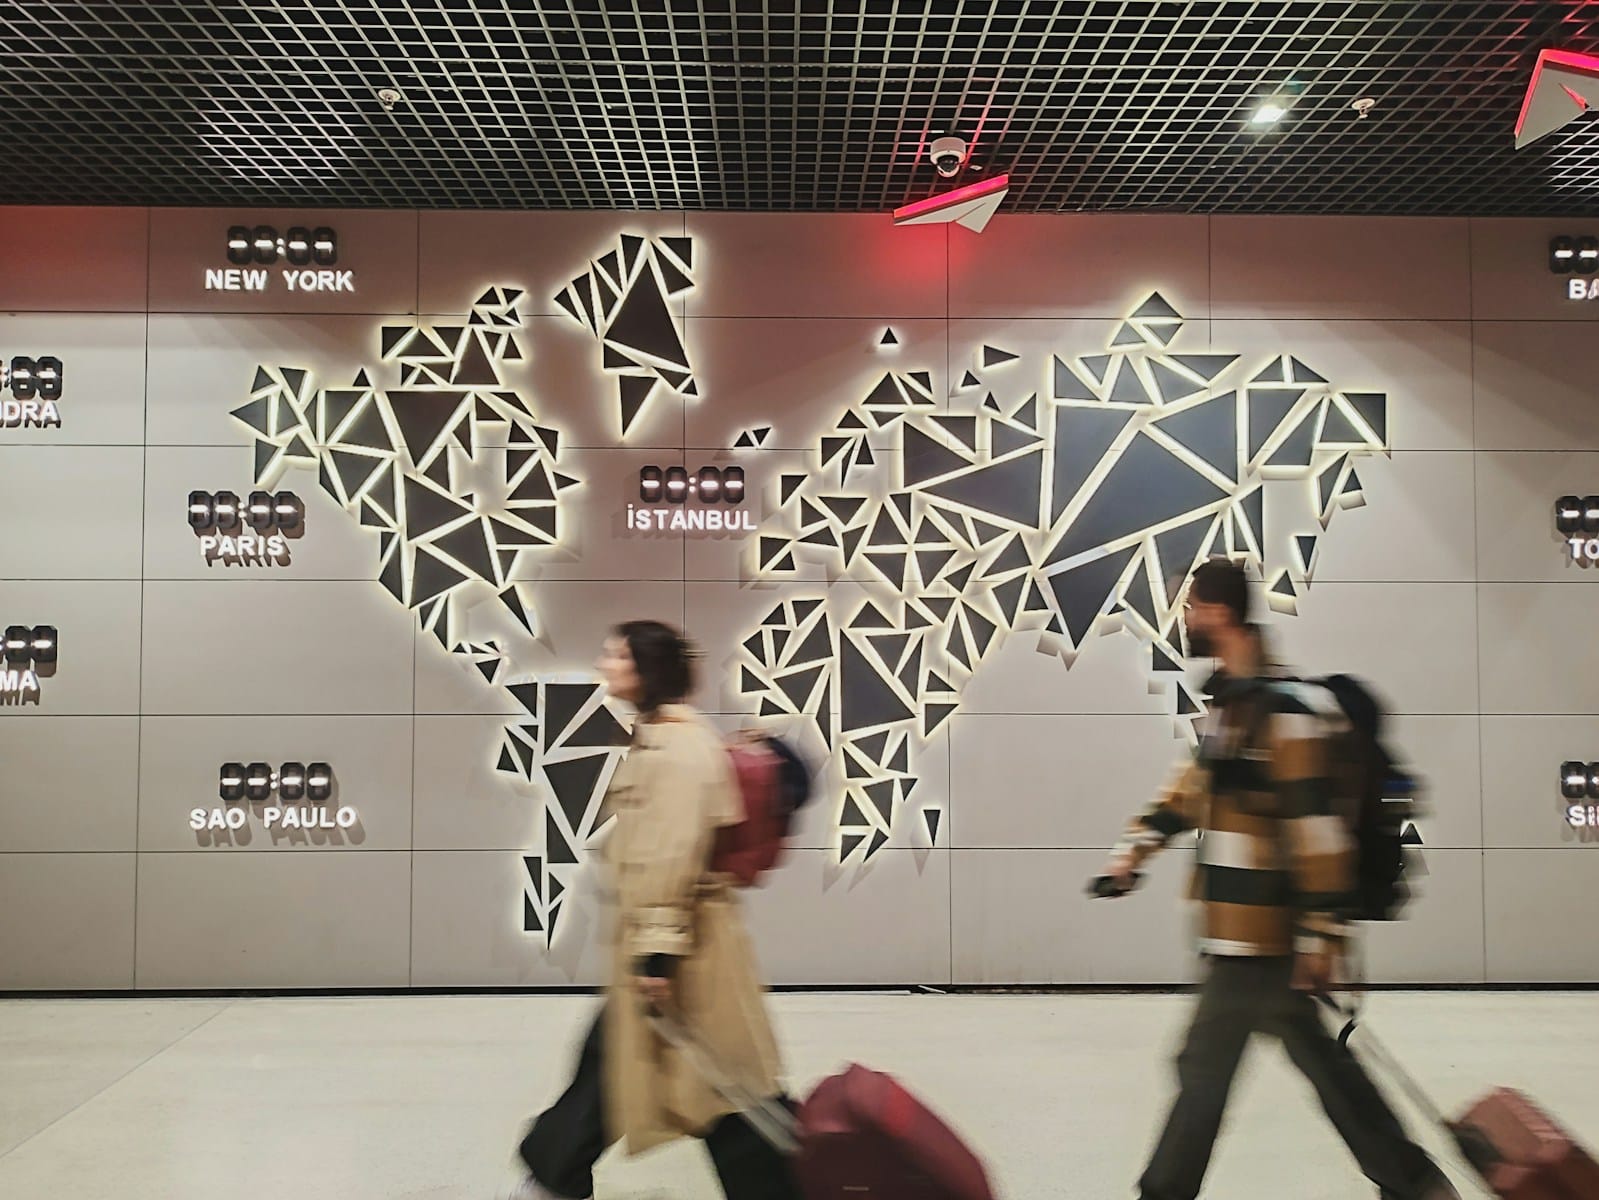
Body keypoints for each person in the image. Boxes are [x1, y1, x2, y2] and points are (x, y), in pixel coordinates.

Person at [1101, 558, 1458, 1200]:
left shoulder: (1286, 712)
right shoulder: (1231, 706)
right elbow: (1190, 791)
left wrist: (1322, 935)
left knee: (1203, 1072)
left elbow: (1316, 830)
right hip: (1246, 934)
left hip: (1265, 939)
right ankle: (1416, 1185)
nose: (1183, 618)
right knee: (1326, 1070)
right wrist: (1136, 848)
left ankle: (1164, 1193)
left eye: (1190, 606)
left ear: (1219, 613)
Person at [510, 620, 800, 1200]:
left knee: (724, 1088)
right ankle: (554, 1177)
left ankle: (553, 1179)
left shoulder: (677, 752)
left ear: (644, 671)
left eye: (615, 655)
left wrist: (658, 958)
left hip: (686, 954)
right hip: (666, 945)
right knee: (634, 1068)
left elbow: (671, 858)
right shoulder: (659, 737)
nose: (603, 664)